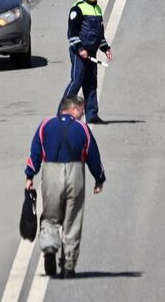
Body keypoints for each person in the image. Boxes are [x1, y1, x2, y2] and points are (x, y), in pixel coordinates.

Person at [24, 92, 106, 278]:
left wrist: (30, 175)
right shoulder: (82, 129)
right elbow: (93, 155)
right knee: (73, 220)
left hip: (51, 172)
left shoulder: (45, 125)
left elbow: (35, 152)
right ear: (74, 109)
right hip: (75, 173)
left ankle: (50, 248)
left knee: (50, 216)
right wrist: (99, 178)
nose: (83, 116)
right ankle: (69, 264)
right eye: (82, 112)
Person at [62, 0, 112, 123]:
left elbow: (99, 33)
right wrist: (80, 49)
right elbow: (72, 33)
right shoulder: (77, 8)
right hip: (79, 52)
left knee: (91, 83)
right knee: (76, 81)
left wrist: (105, 48)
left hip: (91, 53)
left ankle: (92, 115)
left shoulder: (97, 9)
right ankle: (63, 112)